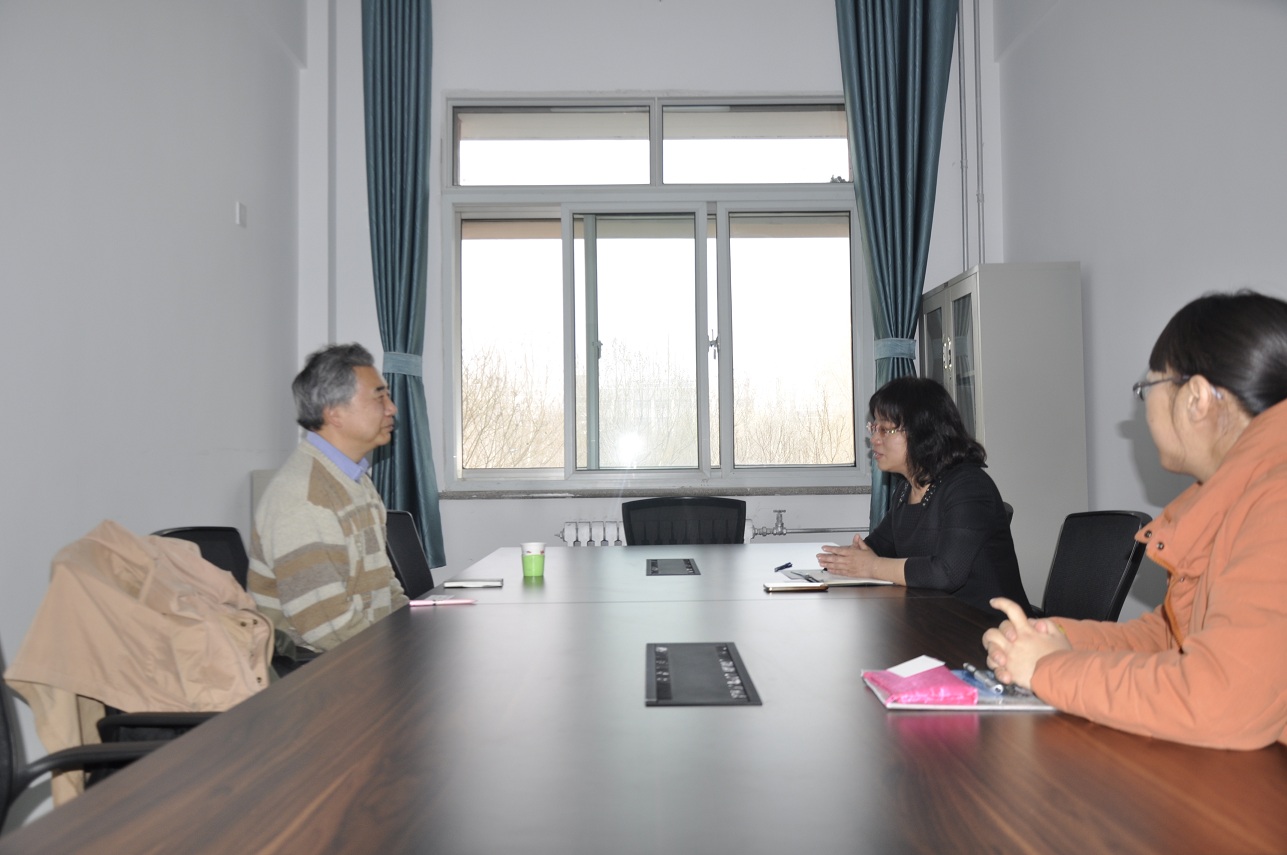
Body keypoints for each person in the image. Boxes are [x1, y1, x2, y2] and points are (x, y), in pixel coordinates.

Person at [983, 290, 1287, 749]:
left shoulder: (1276, 499)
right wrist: (1055, 635)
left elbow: (1221, 700)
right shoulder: (1237, 492)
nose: (1144, 407)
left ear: (1196, 398)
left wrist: (1048, 668)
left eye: (1149, 388)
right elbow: (1173, 635)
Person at [817, 376, 1031, 617]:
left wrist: (872, 566)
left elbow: (945, 573)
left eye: (885, 429)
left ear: (923, 432)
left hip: (990, 627)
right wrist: (843, 560)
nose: (874, 439)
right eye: (874, 428)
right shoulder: (906, 489)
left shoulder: (968, 487)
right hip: (938, 619)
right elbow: (877, 547)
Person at [249, 343, 409, 653]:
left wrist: (411, 631)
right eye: (379, 397)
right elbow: (327, 628)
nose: (392, 408)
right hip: (315, 669)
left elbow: (383, 581)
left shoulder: (354, 478)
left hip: (361, 652)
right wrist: (399, 657)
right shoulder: (305, 498)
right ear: (334, 412)